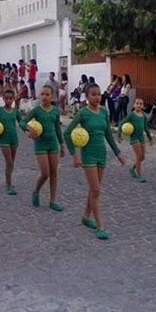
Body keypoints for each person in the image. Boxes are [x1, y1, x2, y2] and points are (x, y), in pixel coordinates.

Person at [64, 83, 125, 240]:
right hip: (88, 155)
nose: (97, 97)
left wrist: (118, 153)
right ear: (87, 96)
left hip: (101, 154)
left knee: (94, 190)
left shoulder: (104, 113)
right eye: (93, 94)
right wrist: (74, 155)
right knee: (96, 190)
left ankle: (86, 217)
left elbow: (108, 135)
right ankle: (100, 225)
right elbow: (67, 132)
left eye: (98, 94)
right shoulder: (83, 113)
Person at [20, 86, 65, 212]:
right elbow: (22, 122)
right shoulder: (36, 110)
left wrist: (62, 144)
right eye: (42, 94)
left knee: (54, 173)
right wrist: (29, 129)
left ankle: (53, 201)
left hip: (53, 144)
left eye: (47, 94)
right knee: (45, 173)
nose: (44, 97)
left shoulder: (56, 111)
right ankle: (36, 191)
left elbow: (57, 129)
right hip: (40, 144)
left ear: (52, 96)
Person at [118, 98, 152, 183]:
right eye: (137, 103)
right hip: (134, 138)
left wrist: (150, 138)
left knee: (142, 157)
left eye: (141, 104)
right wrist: (119, 135)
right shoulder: (131, 115)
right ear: (134, 105)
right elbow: (121, 124)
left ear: (143, 106)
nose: (139, 105)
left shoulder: (144, 116)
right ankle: (139, 175)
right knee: (138, 156)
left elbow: (146, 128)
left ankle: (132, 169)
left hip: (141, 138)